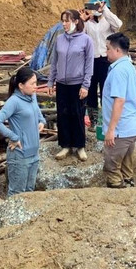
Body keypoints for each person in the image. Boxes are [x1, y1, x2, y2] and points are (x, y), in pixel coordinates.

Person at [0, 66, 46, 197]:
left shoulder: (32, 96)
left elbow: (37, 111)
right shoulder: (14, 101)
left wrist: (42, 121)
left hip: (34, 154)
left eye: (36, 83)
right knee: (17, 194)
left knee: (30, 192)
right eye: (32, 83)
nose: (35, 86)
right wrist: (14, 137)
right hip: (20, 156)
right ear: (21, 85)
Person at [47, 9, 94, 161]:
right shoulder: (59, 39)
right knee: (63, 114)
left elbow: (89, 64)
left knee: (78, 114)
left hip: (77, 84)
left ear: (75, 21)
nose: (64, 24)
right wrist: (50, 81)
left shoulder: (86, 40)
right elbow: (54, 62)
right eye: (63, 21)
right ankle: (65, 145)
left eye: (67, 21)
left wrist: (86, 85)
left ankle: (80, 146)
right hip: (62, 83)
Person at [102, 33, 136, 188]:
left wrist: (111, 130)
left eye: (108, 49)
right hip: (132, 126)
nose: (106, 52)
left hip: (122, 129)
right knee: (126, 163)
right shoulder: (128, 66)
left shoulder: (118, 71)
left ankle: (117, 196)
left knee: (111, 166)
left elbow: (119, 101)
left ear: (117, 50)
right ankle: (128, 186)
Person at [82, 0, 122, 128]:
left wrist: (105, 10)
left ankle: (107, 119)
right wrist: (83, 20)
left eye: (98, 6)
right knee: (91, 90)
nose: (96, 9)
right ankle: (93, 122)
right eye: (94, 6)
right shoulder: (88, 23)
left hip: (106, 59)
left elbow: (118, 24)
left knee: (107, 89)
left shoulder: (109, 21)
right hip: (91, 60)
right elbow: (80, 35)